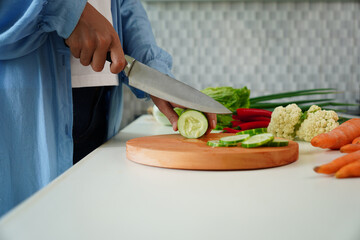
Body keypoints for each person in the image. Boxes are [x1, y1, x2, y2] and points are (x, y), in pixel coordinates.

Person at [0, 0, 216, 217]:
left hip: (103, 105)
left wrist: (152, 70)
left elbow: (123, 5)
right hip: (28, 101)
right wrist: (64, 7)